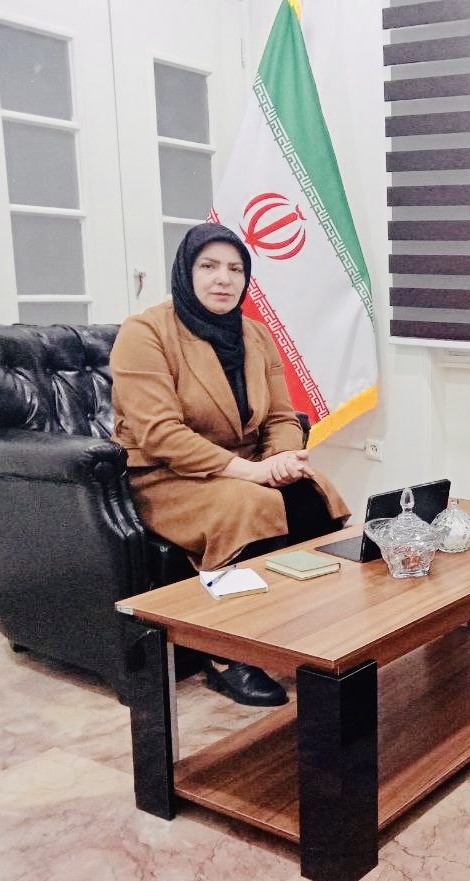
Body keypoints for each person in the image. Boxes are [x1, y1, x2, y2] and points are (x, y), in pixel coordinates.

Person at [111, 222, 349, 706]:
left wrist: (280, 460)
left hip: (246, 465)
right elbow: (160, 434)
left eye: (235, 269)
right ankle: (228, 653)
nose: (223, 278)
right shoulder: (145, 332)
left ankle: (303, 627)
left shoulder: (255, 335)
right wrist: (253, 473)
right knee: (247, 504)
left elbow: (282, 417)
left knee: (311, 490)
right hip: (168, 476)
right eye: (209, 266)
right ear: (186, 272)